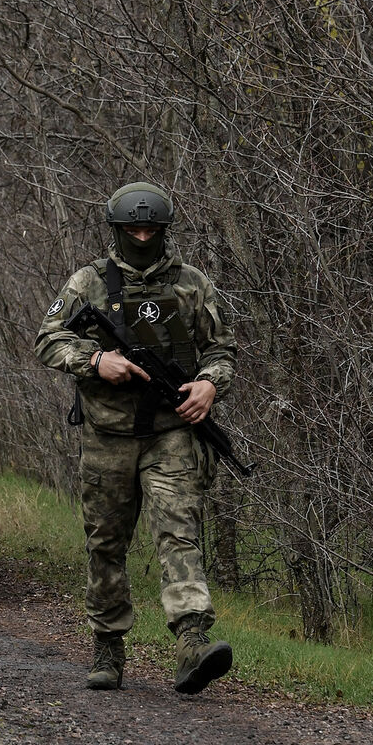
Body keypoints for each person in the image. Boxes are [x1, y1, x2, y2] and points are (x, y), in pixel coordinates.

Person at [34, 181, 237, 695]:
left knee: (179, 532)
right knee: (106, 542)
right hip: (108, 435)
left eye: (151, 228)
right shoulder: (87, 285)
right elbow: (48, 338)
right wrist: (95, 359)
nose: (143, 236)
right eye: (133, 229)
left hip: (171, 433)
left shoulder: (192, 284)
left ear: (165, 231)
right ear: (118, 230)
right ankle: (108, 645)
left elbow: (221, 349)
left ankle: (192, 640)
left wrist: (209, 385)